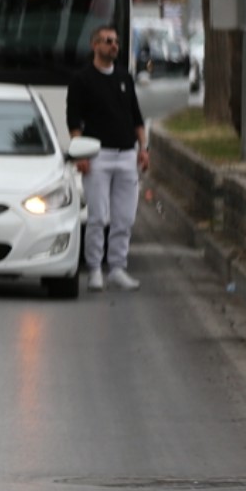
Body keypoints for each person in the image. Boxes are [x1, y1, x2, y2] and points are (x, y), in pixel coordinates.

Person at [67, 23, 148, 291]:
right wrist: (80, 152)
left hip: (127, 155)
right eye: (107, 41)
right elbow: (74, 120)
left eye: (115, 41)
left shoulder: (124, 78)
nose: (114, 45)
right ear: (95, 45)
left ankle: (117, 267)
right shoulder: (82, 79)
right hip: (98, 156)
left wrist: (143, 149)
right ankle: (94, 269)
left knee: (124, 217)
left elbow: (136, 117)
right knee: (98, 217)